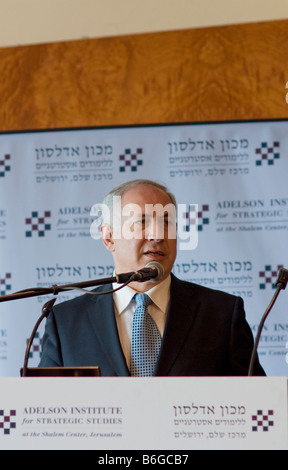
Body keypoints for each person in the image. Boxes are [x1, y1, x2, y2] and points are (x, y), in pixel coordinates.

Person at [39, 179, 265, 376]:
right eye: (142, 222)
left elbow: (258, 401)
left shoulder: (221, 314)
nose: (157, 234)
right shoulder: (66, 322)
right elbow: (45, 407)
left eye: (167, 223)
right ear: (109, 238)